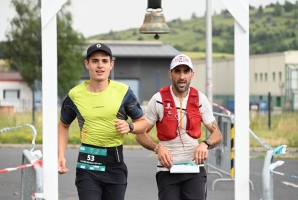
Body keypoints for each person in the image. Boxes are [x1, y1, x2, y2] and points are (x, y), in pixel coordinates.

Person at [58, 43, 147, 200]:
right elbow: (63, 125)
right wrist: (60, 155)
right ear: (87, 64)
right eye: (95, 61)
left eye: (104, 61)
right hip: (87, 165)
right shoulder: (74, 95)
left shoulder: (124, 92)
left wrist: (129, 126)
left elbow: (143, 122)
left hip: (115, 164)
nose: (100, 65)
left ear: (111, 64)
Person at [135, 54, 223, 200]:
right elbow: (140, 134)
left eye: (186, 71)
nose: (182, 76)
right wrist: (158, 148)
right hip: (167, 170)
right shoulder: (158, 99)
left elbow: (217, 134)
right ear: (171, 74)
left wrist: (205, 144)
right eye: (177, 71)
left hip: (194, 170)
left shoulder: (200, 99)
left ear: (192, 74)